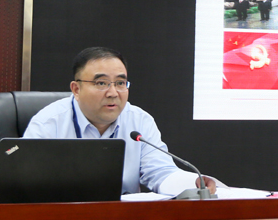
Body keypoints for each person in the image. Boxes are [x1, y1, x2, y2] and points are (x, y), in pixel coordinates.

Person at [23, 47, 218, 195]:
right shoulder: (48, 123)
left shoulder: (139, 121)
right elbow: (28, 183)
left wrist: (191, 183)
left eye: (120, 83)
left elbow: (160, 171)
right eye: (101, 83)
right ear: (76, 89)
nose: (113, 93)